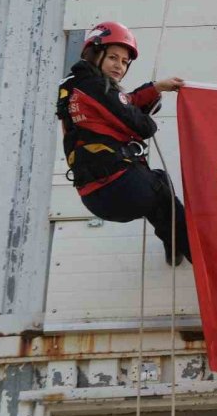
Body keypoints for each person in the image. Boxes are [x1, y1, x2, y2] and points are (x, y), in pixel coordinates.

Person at [56, 21, 191, 265]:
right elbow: (141, 125)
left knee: (156, 202)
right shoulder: (94, 86)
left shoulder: (75, 87)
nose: (119, 66)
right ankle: (198, 254)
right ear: (96, 54)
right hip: (121, 186)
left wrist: (157, 88)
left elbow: (123, 102)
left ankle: (174, 247)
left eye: (125, 62)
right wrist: (146, 118)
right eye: (113, 58)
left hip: (94, 197)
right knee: (159, 184)